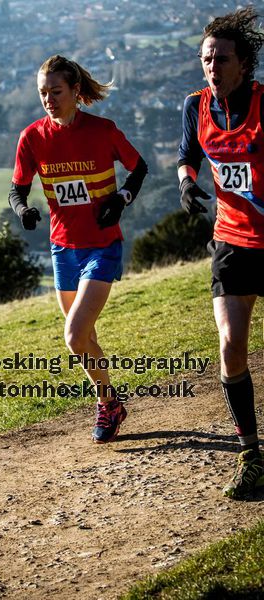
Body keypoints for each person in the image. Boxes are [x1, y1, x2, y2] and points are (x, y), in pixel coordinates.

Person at [9, 55, 147, 444]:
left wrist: (120, 199)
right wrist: (24, 210)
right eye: (43, 93)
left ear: (74, 91)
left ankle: (106, 404)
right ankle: (111, 403)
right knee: (85, 338)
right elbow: (17, 189)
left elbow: (139, 168)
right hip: (62, 248)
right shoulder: (32, 138)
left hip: (102, 245)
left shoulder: (103, 130)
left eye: (56, 91)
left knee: (73, 336)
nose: (49, 99)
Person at [178, 7, 264, 499]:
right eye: (205, 58)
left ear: (244, 62)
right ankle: (251, 452)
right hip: (231, 240)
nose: (211, 67)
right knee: (230, 343)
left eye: (220, 59)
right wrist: (187, 184)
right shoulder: (195, 105)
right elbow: (187, 156)